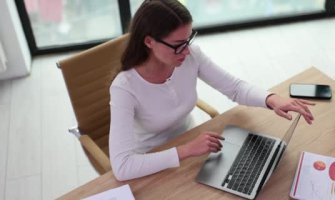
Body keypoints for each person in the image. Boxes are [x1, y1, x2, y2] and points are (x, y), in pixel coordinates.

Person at [109, 0, 314, 181]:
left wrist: (272, 99)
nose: (187, 50)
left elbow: (234, 88)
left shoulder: (190, 56)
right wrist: (186, 150)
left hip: (194, 144)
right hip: (152, 160)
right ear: (149, 41)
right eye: (178, 45)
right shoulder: (124, 88)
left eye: (189, 39)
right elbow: (123, 167)